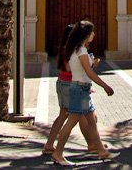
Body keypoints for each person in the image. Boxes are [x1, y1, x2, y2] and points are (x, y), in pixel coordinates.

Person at [52, 20, 115, 166]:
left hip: (82, 89)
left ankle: (101, 150)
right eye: (91, 32)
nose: (93, 34)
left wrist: (91, 63)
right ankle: (58, 153)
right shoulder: (81, 51)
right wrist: (105, 86)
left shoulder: (76, 49)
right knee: (71, 122)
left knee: (92, 122)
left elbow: (82, 68)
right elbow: (89, 73)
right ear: (85, 35)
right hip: (80, 90)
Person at [42, 24, 100, 155]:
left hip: (64, 82)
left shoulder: (67, 48)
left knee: (65, 115)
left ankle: (50, 144)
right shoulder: (71, 50)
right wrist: (89, 64)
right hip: (70, 84)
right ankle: (92, 145)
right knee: (83, 116)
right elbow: (69, 68)